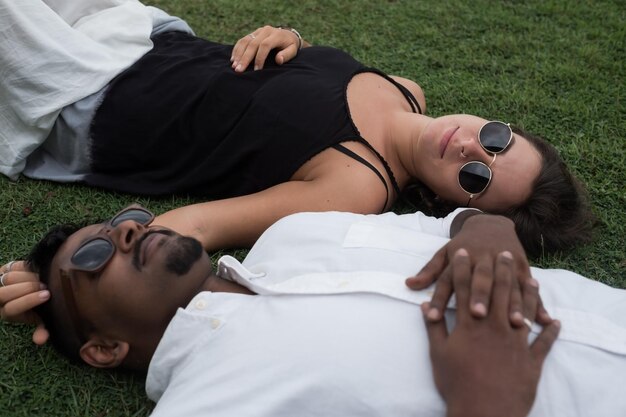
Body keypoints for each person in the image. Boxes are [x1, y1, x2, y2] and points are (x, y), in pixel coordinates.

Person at [0, 1, 593, 257]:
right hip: (145, 35)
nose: (468, 146)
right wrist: (290, 40)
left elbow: (205, 223)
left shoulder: (357, 187)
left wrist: (82, 255)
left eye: (475, 176)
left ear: (446, 202)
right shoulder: (407, 89)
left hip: (89, 97)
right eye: (495, 141)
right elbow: (294, 93)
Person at [2, 206, 625, 416]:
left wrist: (489, 231)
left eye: (126, 220)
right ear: (104, 349)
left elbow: (448, 222)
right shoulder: (209, 405)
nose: (128, 232)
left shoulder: (294, 234)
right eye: (92, 254)